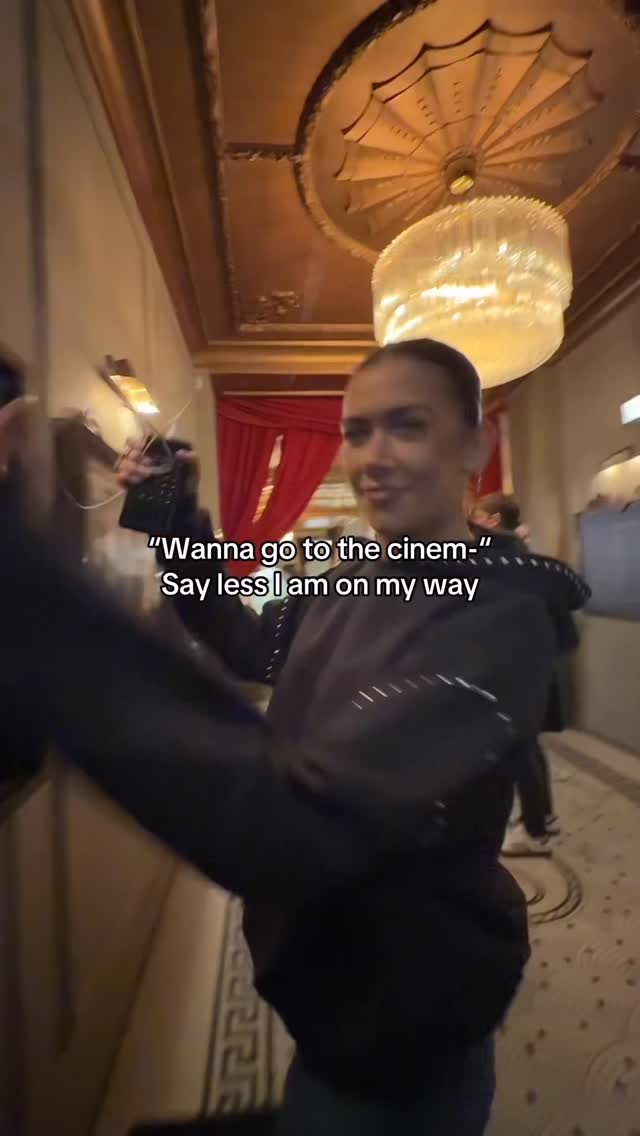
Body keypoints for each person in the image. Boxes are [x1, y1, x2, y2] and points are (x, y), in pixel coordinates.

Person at [0, 340, 589, 1135]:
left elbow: (303, 821)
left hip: (406, 1013)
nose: (374, 456)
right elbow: (252, 643)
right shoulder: (356, 578)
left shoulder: (498, 617)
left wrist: (26, 601)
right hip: (329, 985)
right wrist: (176, 522)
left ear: (475, 446)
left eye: (408, 426)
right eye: (357, 431)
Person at [471, 492, 562, 855]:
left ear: (493, 521)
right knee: (529, 746)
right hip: (526, 662)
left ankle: (535, 831)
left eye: (478, 516)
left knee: (519, 747)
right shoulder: (517, 553)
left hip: (513, 665)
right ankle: (542, 816)